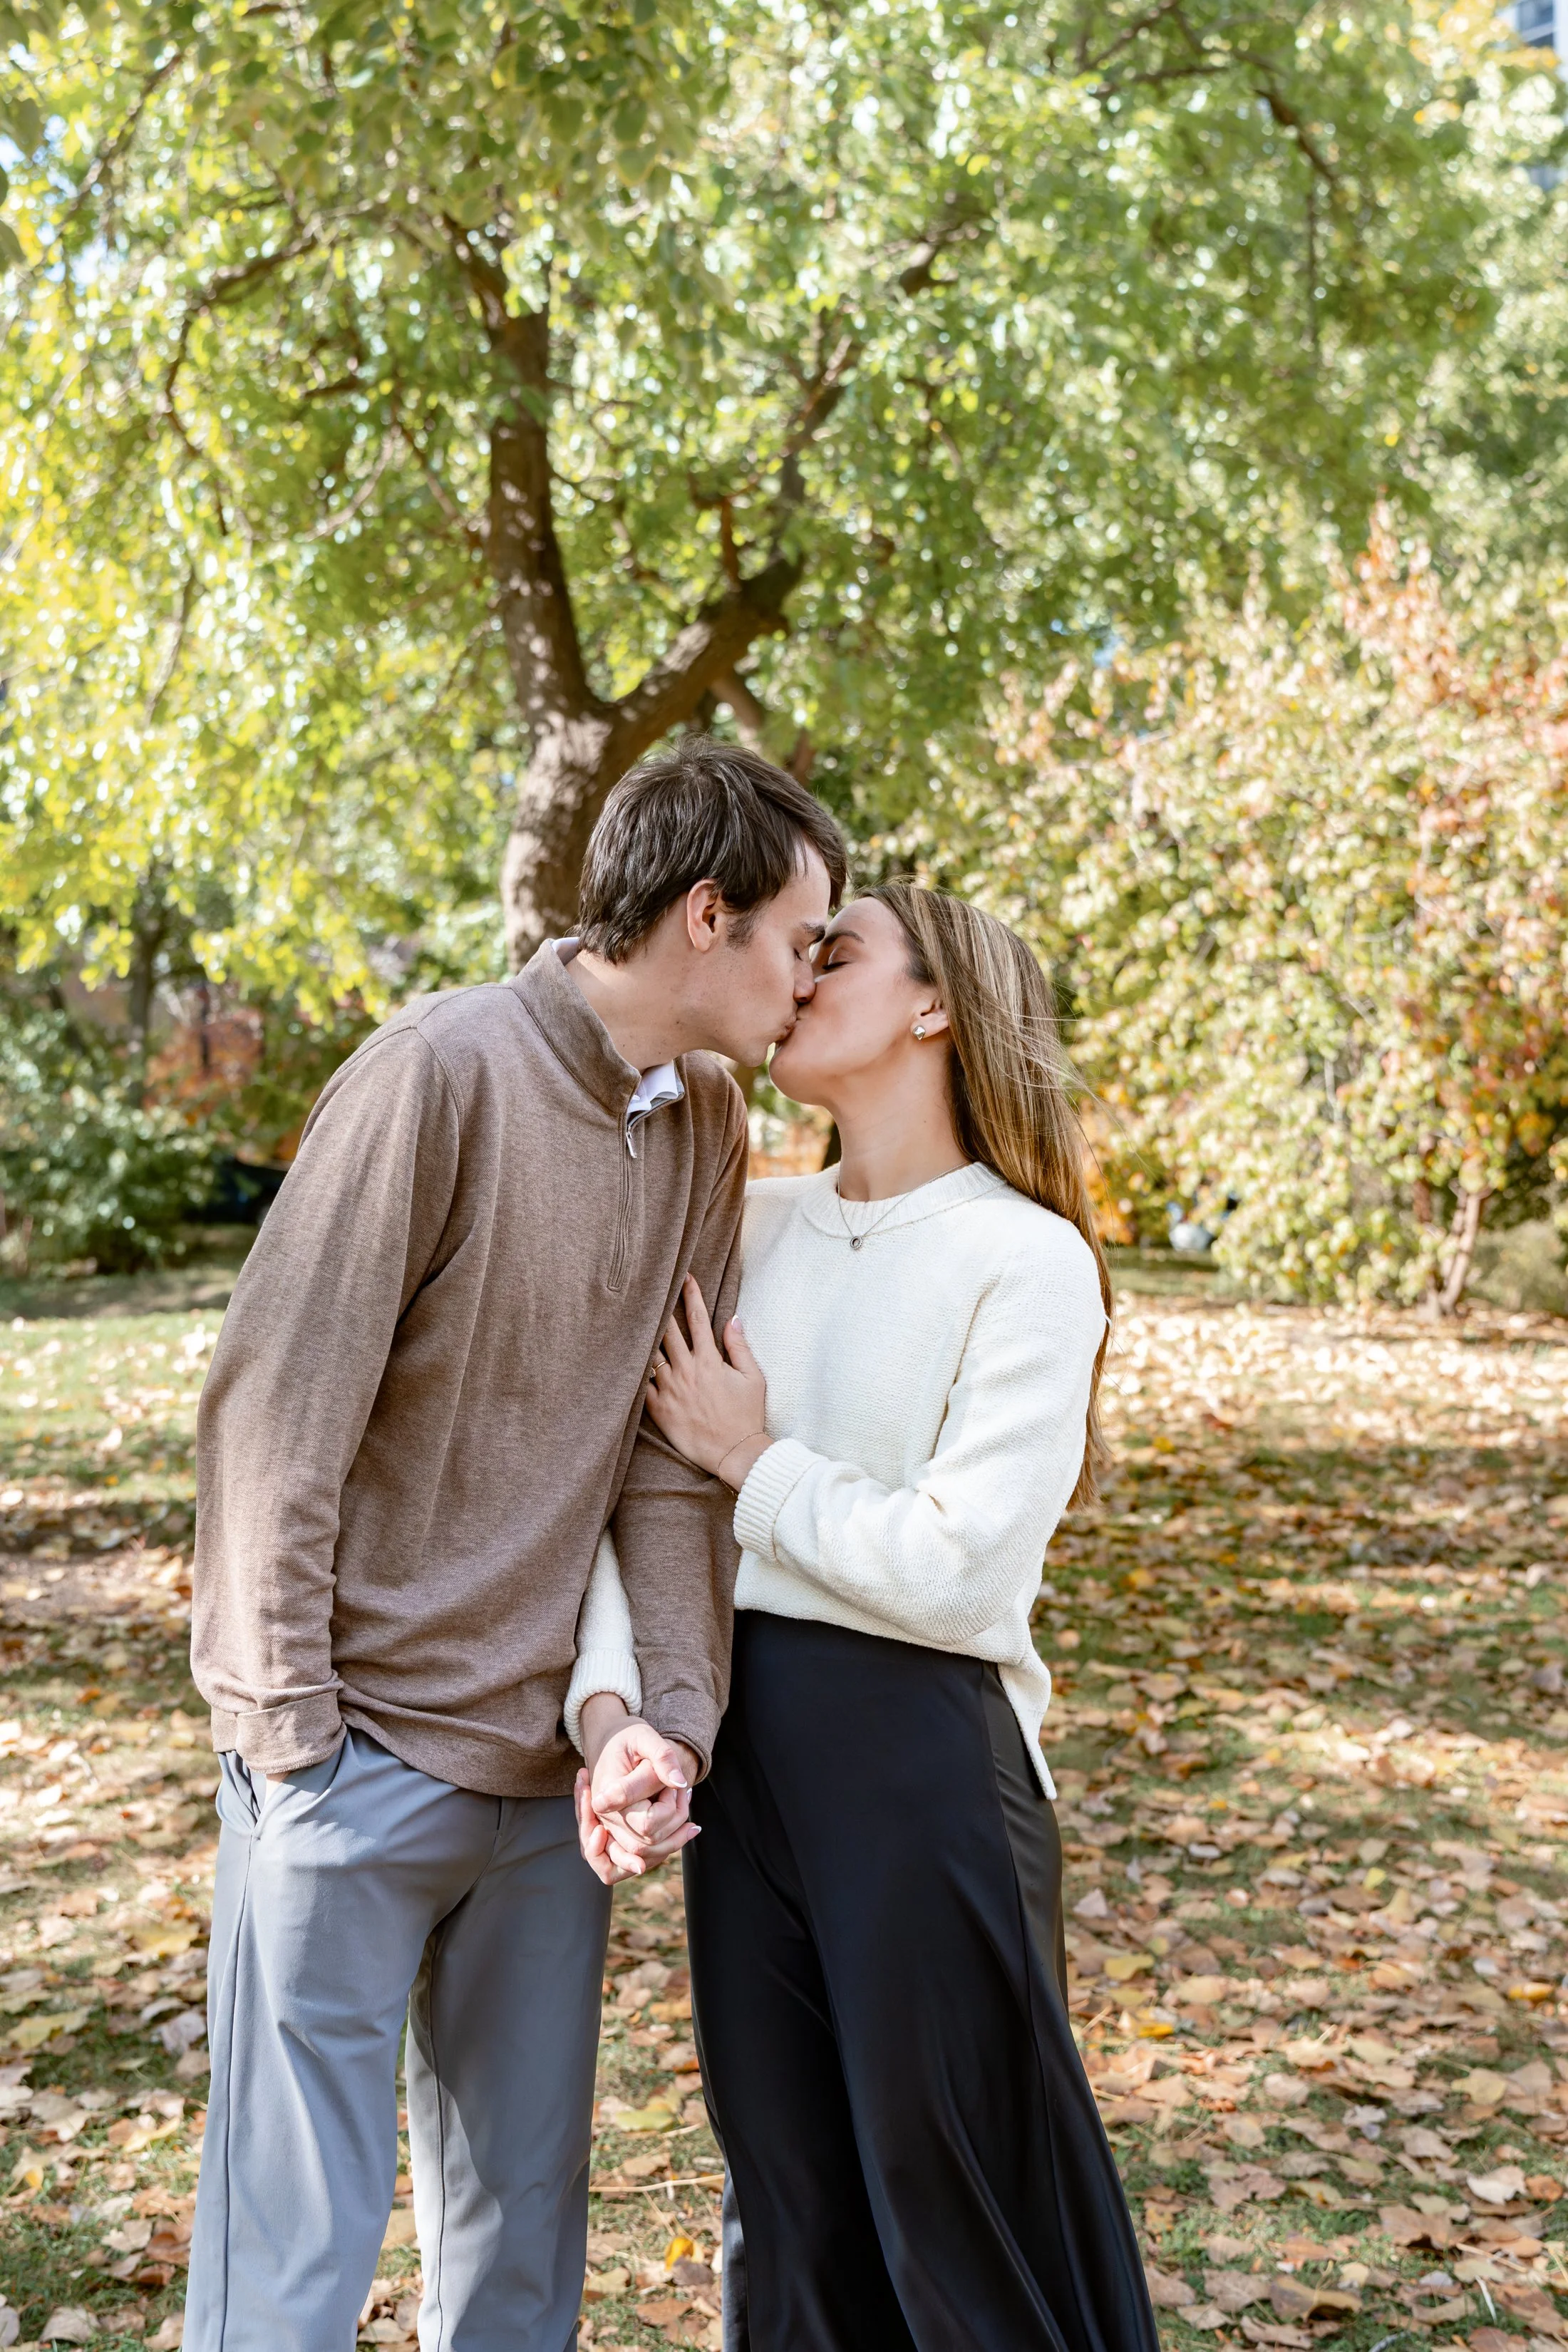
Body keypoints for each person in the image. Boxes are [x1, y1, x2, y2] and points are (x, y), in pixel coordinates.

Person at [185, 738, 845, 2351]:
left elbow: (668, 1462)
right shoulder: (438, 1075)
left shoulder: (702, 1119)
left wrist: (667, 1727)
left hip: (550, 1799)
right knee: (288, 2260)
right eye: (797, 935)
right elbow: (274, 1415)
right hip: (350, 1769)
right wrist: (288, 1745)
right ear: (707, 915)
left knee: (519, 2248)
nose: (810, 975)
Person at [572, 884, 1160, 2352]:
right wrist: (623, 1715)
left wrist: (753, 1462)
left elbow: (961, 1570)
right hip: (739, 1750)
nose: (793, 977)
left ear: (934, 1006)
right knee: (783, 2207)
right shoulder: (744, 1219)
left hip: (922, 1763)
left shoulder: (1024, 1260)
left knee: (948, 2198)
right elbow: (621, 1500)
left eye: (833, 953)